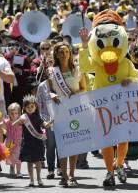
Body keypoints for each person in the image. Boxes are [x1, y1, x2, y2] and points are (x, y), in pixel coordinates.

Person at [48, 42, 86, 187]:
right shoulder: (52, 72)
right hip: (59, 111)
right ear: (56, 54)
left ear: (70, 53)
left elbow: (84, 88)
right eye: (61, 52)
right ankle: (63, 175)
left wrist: (74, 95)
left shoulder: (77, 70)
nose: (64, 54)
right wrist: (52, 95)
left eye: (66, 52)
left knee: (74, 143)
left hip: (75, 110)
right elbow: (49, 90)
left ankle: (72, 174)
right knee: (63, 144)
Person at [13, 95, 51, 187]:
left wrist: (48, 123)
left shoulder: (38, 117)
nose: (30, 108)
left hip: (37, 142)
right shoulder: (24, 117)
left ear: (35, 107)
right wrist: (19, 120)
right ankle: (31, 179)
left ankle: (39, 178)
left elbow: (45, 124)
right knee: (29, 162)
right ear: (24, 108)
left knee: (38, 161)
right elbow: (14, 125)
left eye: (32, 106)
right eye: (28, 107)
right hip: (27, 143)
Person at [0, 103, 23, 178]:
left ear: (19, 113)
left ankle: (18, 172)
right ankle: (12, 167)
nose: (14, 115)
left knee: (18, 157)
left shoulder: (21, 122)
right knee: (10, 155)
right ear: (9, 113)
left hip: (18, 142)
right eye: (12, 113)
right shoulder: (7, 122)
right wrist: (3, 131)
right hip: (9, 142)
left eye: (16, 113)